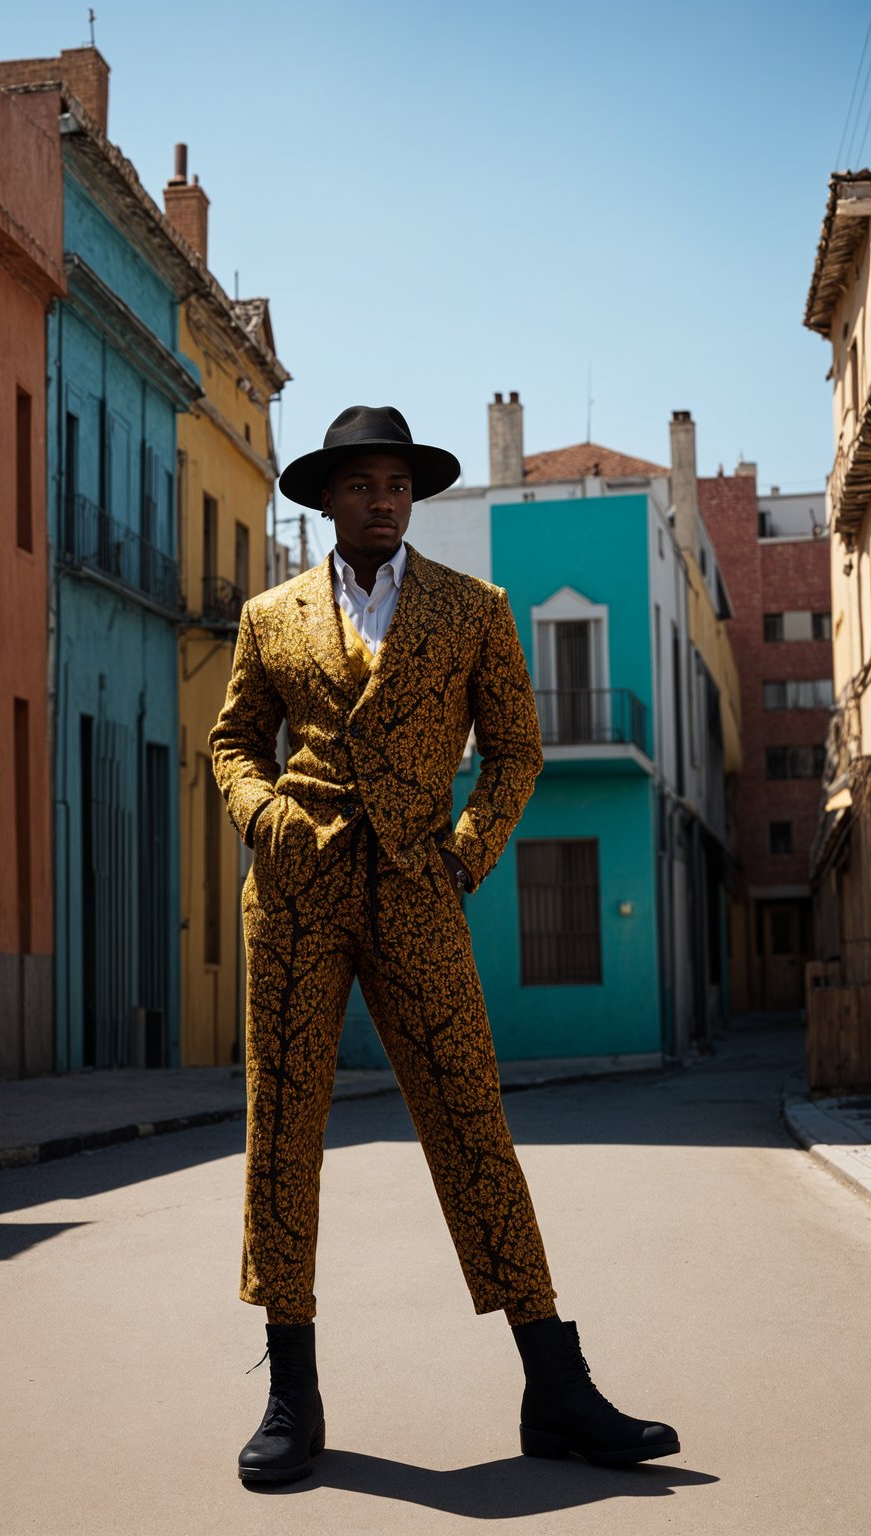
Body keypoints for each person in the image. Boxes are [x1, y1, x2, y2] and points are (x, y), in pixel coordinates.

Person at [209, 405, 678, 1484]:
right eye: (363, 485)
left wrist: (466, 856)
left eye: (398, 485)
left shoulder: (474, 609)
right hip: (294, 891)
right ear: (326, 498)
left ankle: (555, 1383)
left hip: (420, 890)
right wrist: (262, 814)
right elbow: (233, 738)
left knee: (472, 1121)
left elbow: (515, 750)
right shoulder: (267, 616)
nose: (383, 501)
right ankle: (292, 1391)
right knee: (282, 1128)